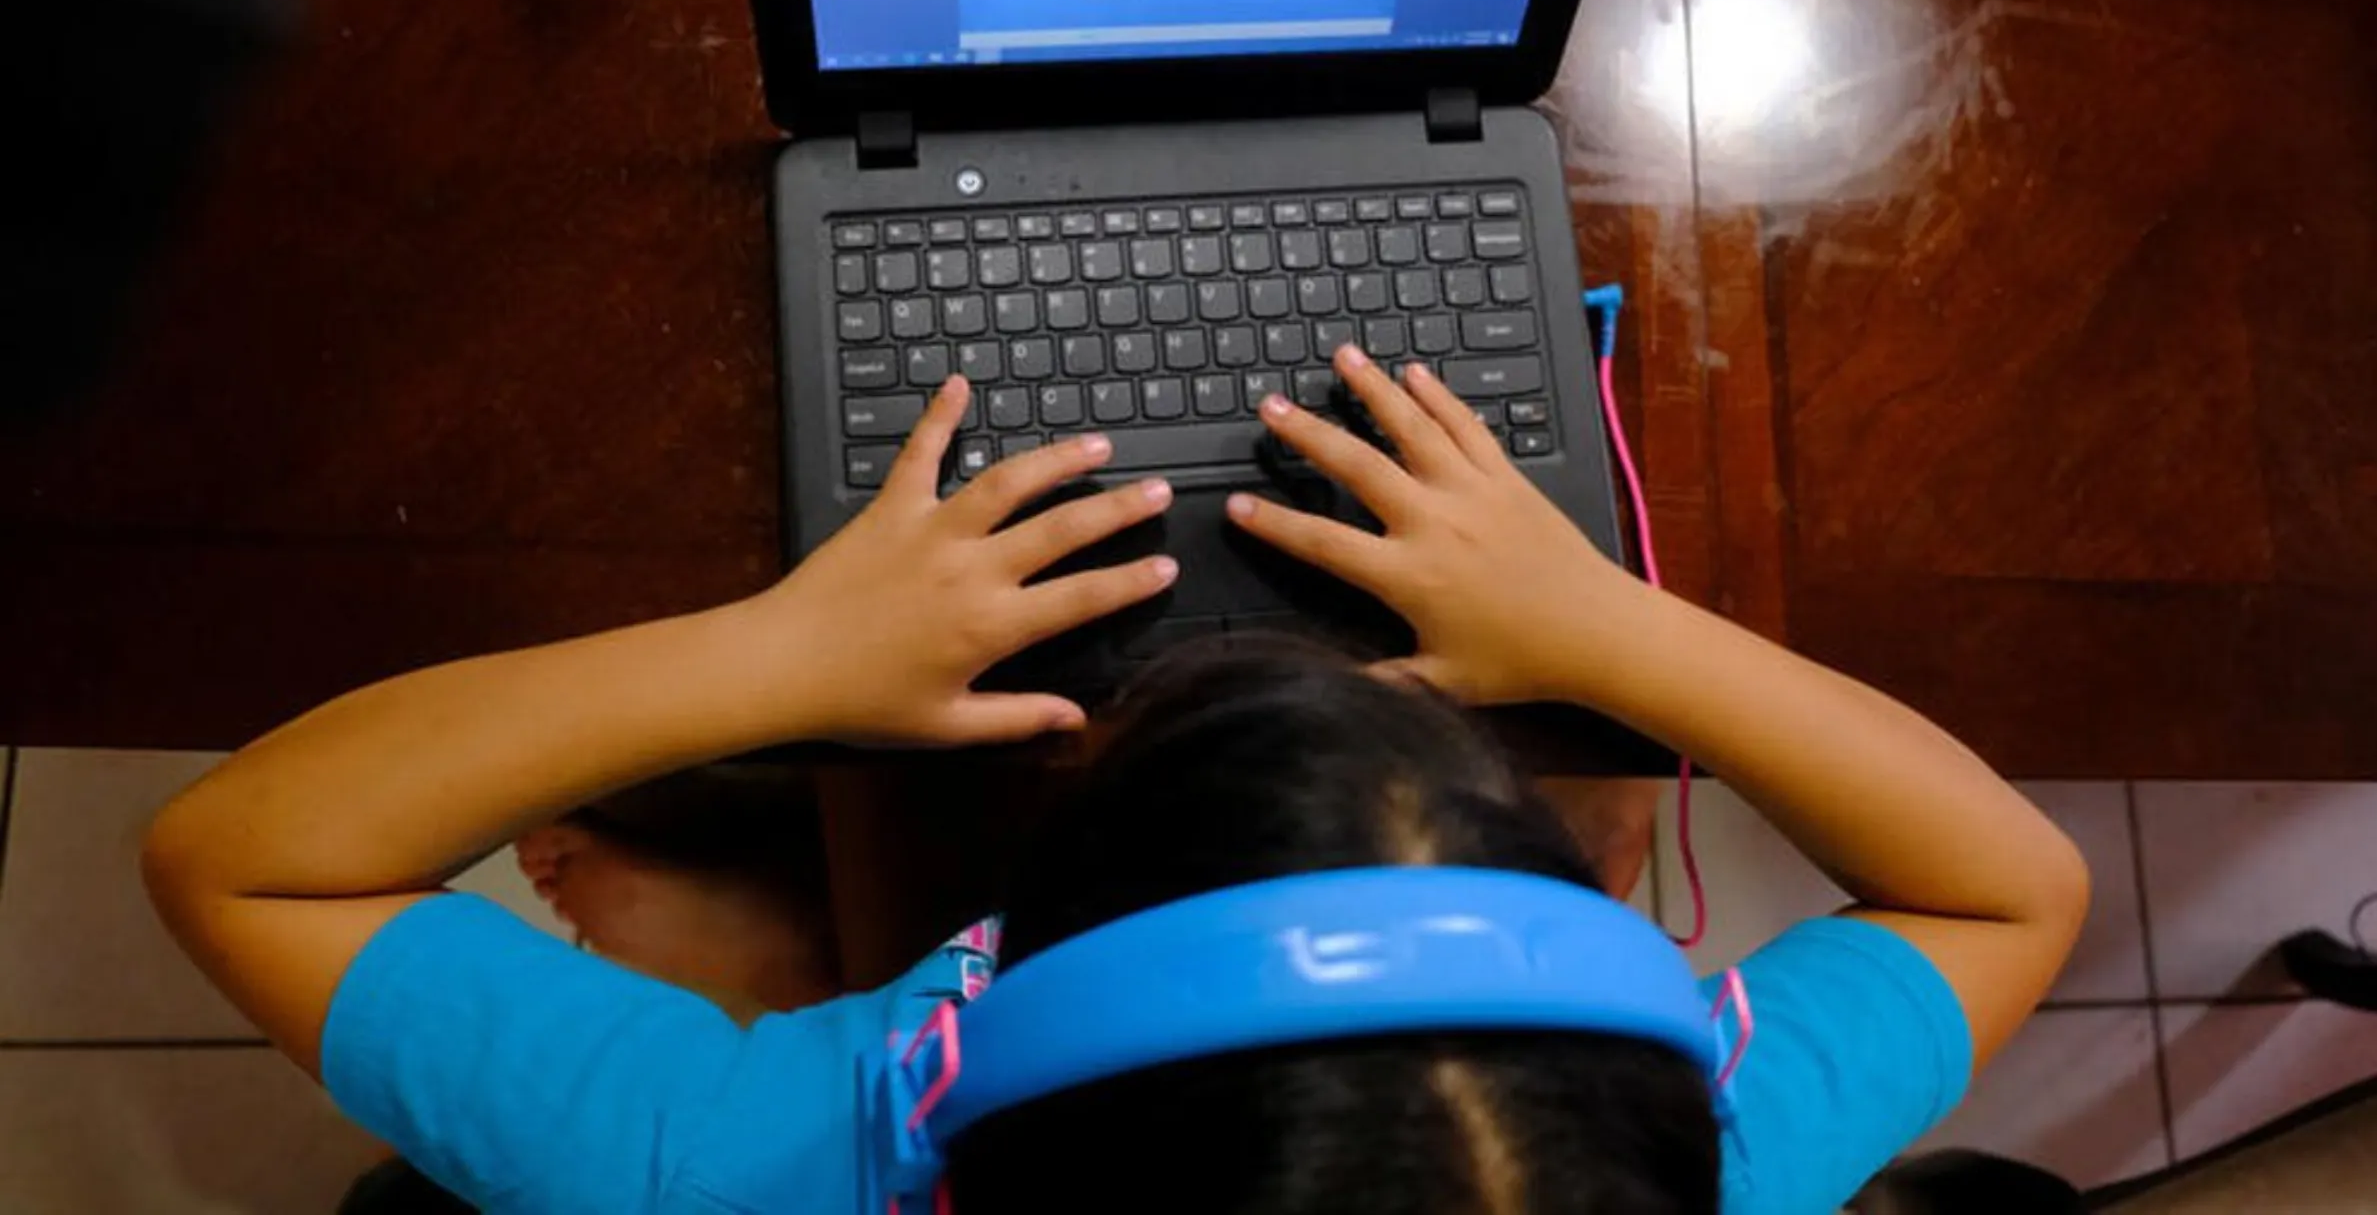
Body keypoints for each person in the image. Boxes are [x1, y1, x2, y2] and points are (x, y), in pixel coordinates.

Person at [144, 347, 2090, 1215]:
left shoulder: (759, 1161)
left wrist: (782, 660)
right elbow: (2013, 890)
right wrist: (1604, 624)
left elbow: (252, 857)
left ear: (1001, 1019)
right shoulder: (1643, 1167)